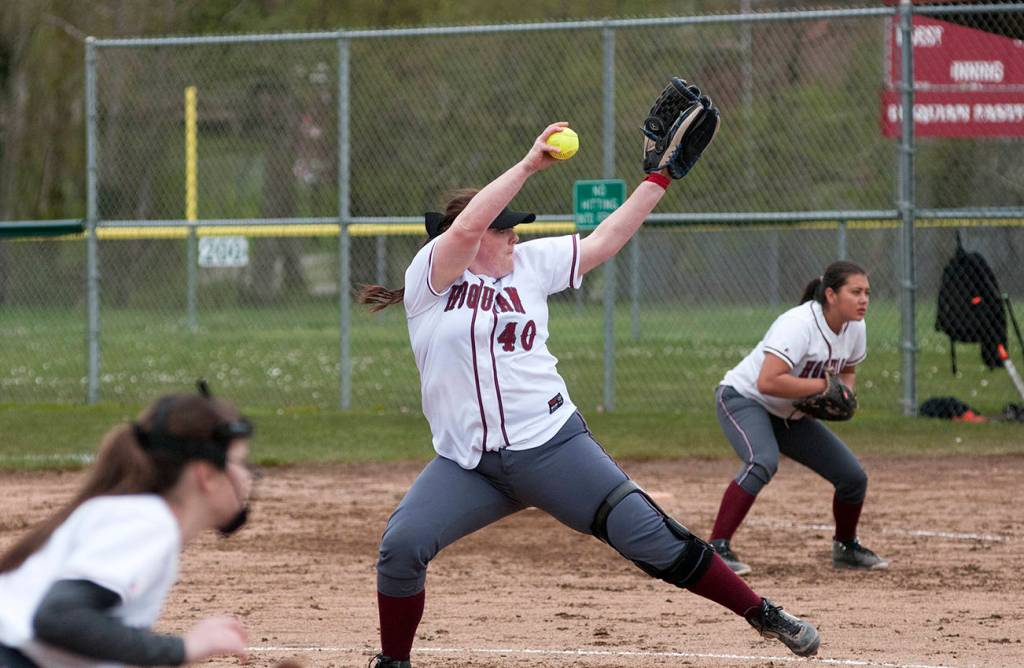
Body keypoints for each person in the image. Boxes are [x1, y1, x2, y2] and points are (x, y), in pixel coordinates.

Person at [357, 108, 821, 666]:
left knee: (647, 536)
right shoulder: (431, 280)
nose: (514, 234)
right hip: (467, 464)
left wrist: (659, 180)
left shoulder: (530, 265)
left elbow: (605, 240)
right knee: (402, 548)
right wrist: (530, 163)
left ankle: (761, 613)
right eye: (503, 227)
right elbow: (463, 230)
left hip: (552, 445)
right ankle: (394, 662)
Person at [0, 382, 255, 668]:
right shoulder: (148, 523)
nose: (247, 476)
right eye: (239, 462)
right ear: (206, 475)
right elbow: (59, 616)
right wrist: (182, 648)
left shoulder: (135, 516)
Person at [707, 260, 890, 576]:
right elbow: (767, 381)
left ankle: (846, 548)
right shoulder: (799, 324)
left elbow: (847, 369)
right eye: (855, 292)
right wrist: (823, 387)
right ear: (831, 295)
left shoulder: (855, 327)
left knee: (852, 477)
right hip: (744, 399)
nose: (864, 300)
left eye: (867, 293)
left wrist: (843, 395)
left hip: (792, 411)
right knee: (762, 461)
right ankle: (716, 548)